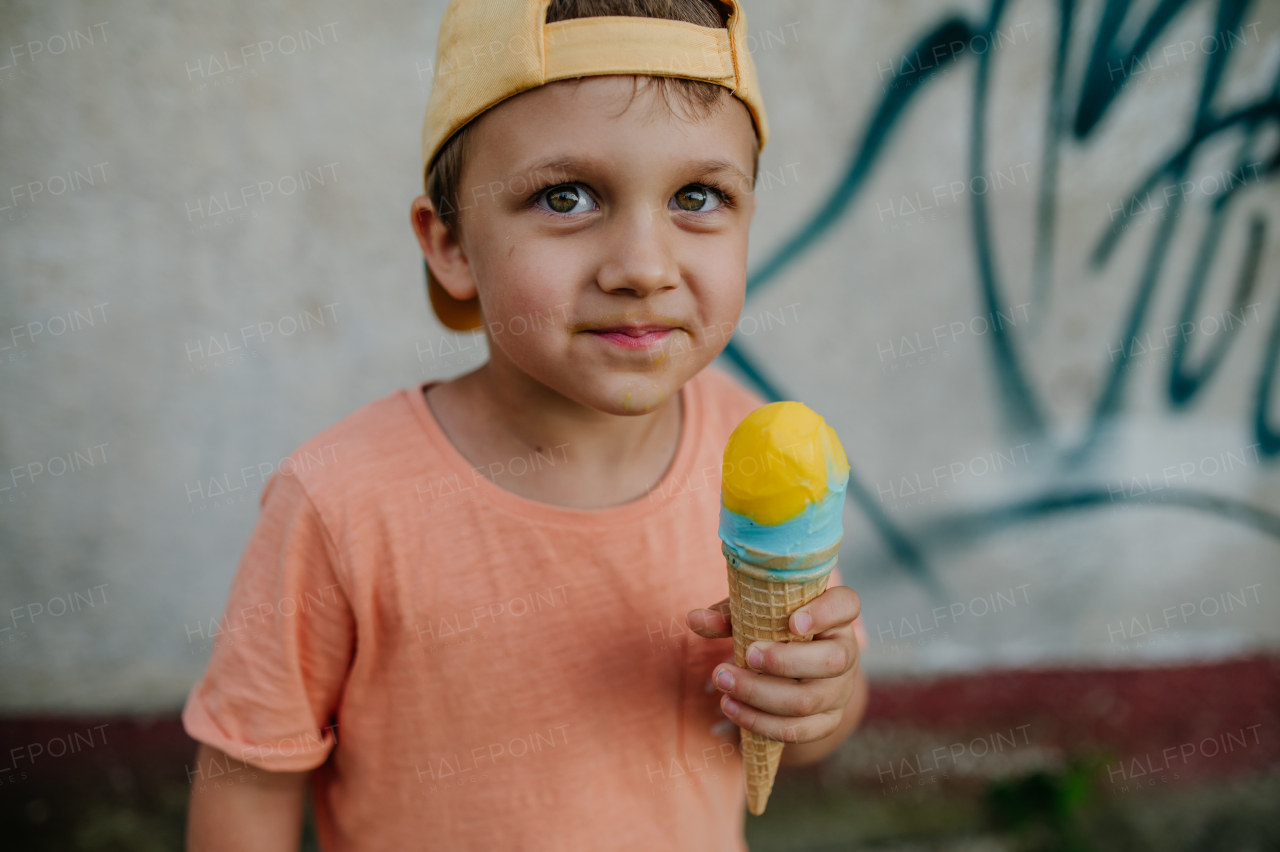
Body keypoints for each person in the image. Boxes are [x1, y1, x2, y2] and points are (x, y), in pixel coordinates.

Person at [183, 1, 867, 849]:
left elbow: (815, 724)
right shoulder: (340, 502)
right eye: (566, 196)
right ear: (453, 245)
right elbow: (245, 782)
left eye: (698, 195)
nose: (643, 267)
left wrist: (816, 701)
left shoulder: (760, 458)